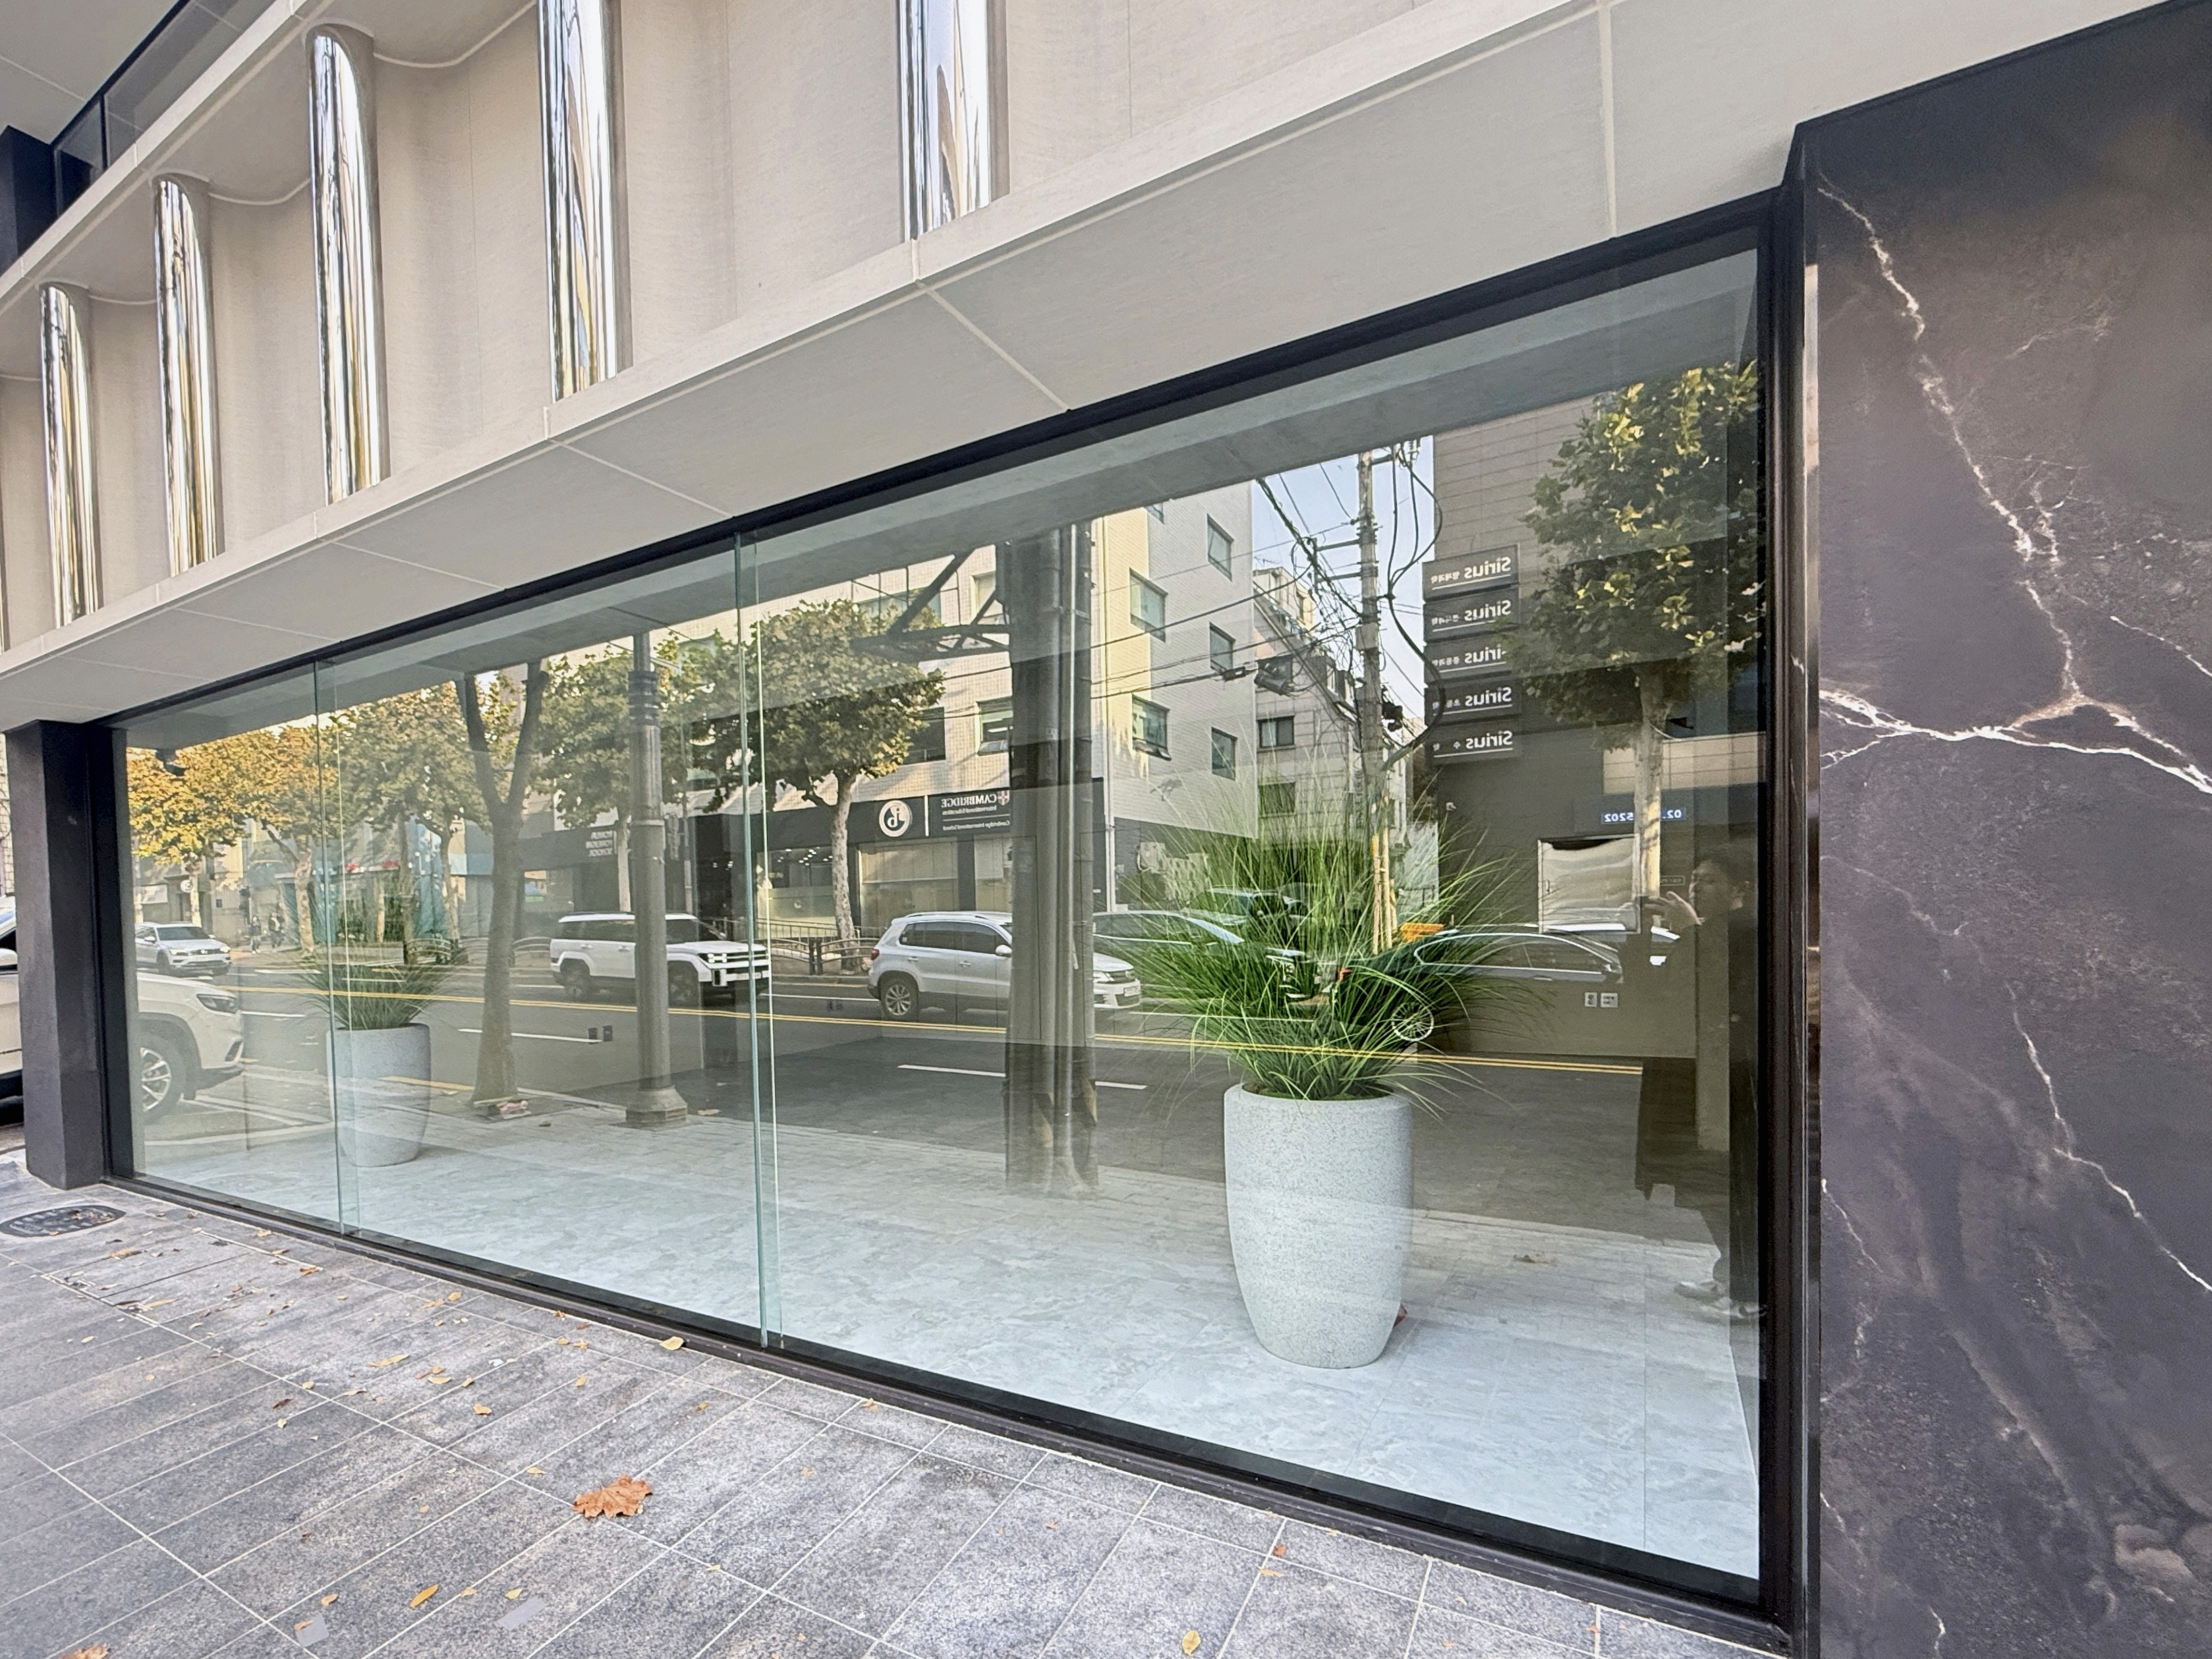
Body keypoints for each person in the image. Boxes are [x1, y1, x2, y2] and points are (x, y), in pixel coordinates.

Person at [1641, 844, 1761, 1320]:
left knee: (1726, 1185)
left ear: (1739, 889)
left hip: (1729, 1081)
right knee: (1705, 1182)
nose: (1695, 888)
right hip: (1697, 1073)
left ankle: (1750, 1290)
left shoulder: (1745, 932)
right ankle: (1732, 1273)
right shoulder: (1709, 932)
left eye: (1709, 880)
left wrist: (1691, 931)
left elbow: (1718, 991)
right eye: (1693, 879)